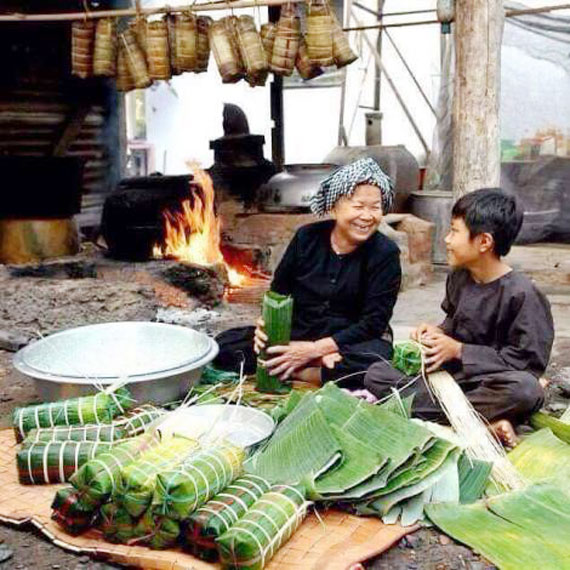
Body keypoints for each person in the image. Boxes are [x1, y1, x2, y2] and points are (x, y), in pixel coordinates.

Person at [364, 188, 554, 446]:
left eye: (454, 231)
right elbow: (453, 323)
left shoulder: (523, 294)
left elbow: (526, 364)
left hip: (493, 382)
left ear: (484, 242)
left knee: (526, 390)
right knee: (376, 373)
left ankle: (464, 416)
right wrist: (437, 334)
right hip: (456, 381)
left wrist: (460, 351)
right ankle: (484, 421)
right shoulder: (459, 277)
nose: (446, 240)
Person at [213, 157, 402, 387]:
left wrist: (315, 350)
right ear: (333, 206)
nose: (367, 216)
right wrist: (266, 326)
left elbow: (373, 323)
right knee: (224, 346)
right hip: (298, 333)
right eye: (358, 206)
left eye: (375, 207)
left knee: (375, 363)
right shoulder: (307, 238)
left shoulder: (385, 253)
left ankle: (303, 372)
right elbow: (278, 293)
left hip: (346, 342)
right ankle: (314, 367)